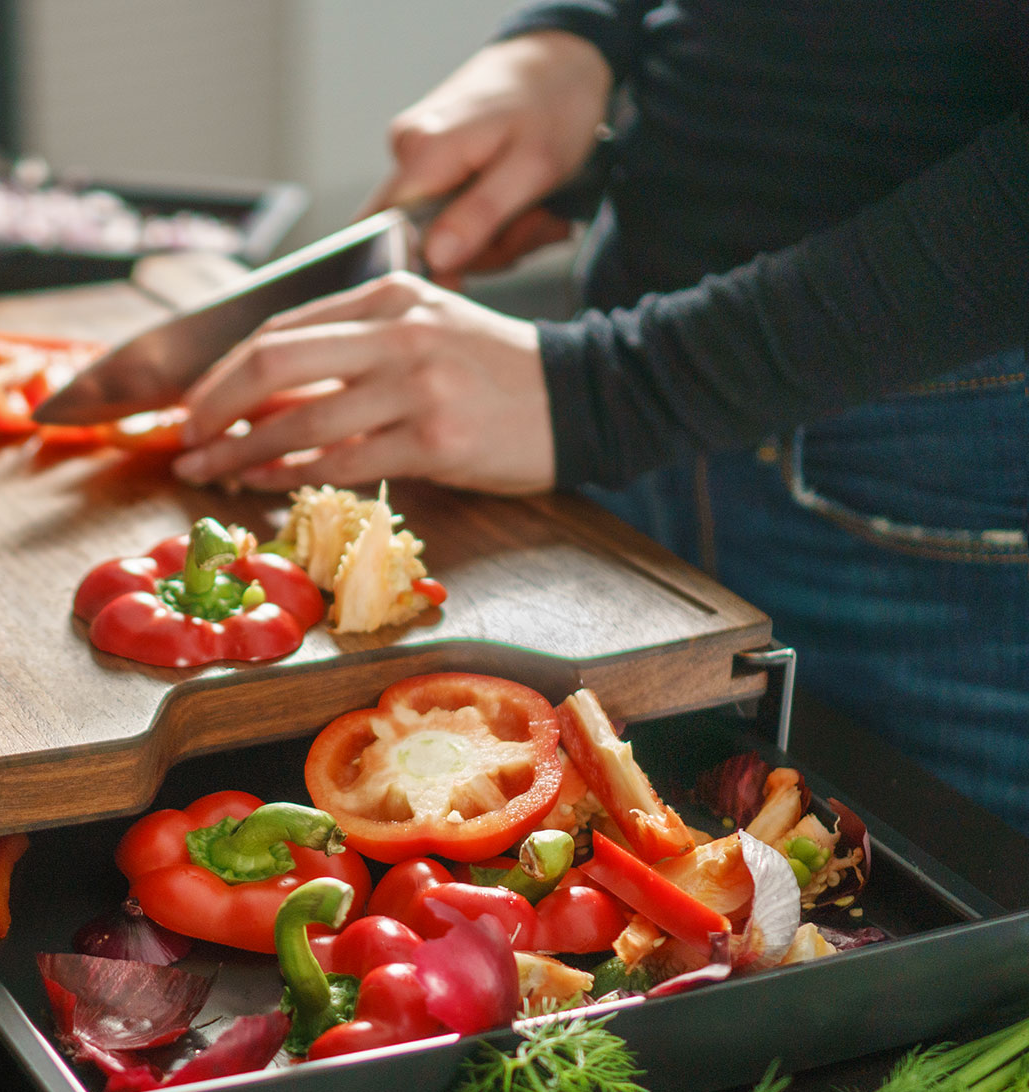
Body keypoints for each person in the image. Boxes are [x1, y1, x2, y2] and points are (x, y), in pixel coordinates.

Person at [170, 2, 1029, 833]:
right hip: (633, 371)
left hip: (934, 460)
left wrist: (610, 391)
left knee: (960, 931)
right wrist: (576, 35)